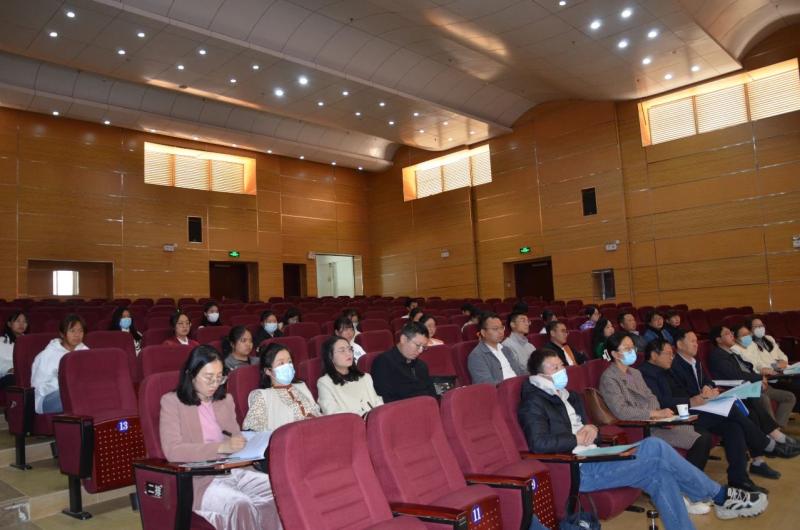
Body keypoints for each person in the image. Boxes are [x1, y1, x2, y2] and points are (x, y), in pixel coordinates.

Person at [519, 348, 768, 527]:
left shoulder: (569, 396)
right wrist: (576, 440)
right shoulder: (533, 402)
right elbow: (539, 443)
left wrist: (593, 429)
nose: (562, 371)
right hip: (578, 469)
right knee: (655, 447)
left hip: (596, 455)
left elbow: (589, 427)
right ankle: (720, 496)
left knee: (659, 474)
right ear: (539, 375)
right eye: (554, 368)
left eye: (562, 366)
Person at [159, 345, 281, 529]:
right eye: (209, 378)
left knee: (277, 492)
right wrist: (220, 447)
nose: (215, 384)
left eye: (219, 378)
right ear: (191, 374)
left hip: (234, 470)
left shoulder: (225, 400)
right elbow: (173, 451)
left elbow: (234, 435)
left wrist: (244, 443)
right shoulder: (172, 402)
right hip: (200, 479)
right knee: (240, 505)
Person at [654, 332, 783, 487]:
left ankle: (739, 479)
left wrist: (708, 387)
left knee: (734, 426)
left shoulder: (695, 362)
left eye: (696, 341)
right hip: (689, 412)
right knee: (733, 410)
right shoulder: (673, 366)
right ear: (680, 345)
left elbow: (708, 381)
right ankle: (764, 443)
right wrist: (699, 397)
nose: (696, 344)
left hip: (704, 407)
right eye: (692, 341)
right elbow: (680, 395)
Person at [598, 332, 715, 495]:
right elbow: (621, 411)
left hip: (656, 422)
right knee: (701, 439)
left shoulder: (635, 373)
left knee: (703, 435)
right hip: (640, 427)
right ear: (615, 354)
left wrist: (658, 414)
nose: (632, 352)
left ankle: (686, 486)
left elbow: (651, 396)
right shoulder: (609, 378)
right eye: (627, 349)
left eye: (633, 348)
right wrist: (653, 414)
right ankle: (687, 489)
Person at [707, 325, 799, 453]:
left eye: (731, 333)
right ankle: (775, 437)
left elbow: (748, 369)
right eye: (727, 334)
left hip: (746, 386)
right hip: (732, 389)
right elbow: (735, 375)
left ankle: (774, 437)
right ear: (718, 339)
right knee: (757, 399)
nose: (731, 335)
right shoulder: (718, 355)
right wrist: (758, 378)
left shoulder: (731, 352)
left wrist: (759, 379)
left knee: (783, 396)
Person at [243, 343, 320, 432]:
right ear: (268, 371)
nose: (287, 366)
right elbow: (253, 428)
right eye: (281, 363)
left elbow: (317, 412)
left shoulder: (302, 386)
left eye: (289, 362)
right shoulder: (262, 395)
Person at [730, 324, 796, 428]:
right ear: (736, 337)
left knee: (789, 397)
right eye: (744, 335)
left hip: (764, 379)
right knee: (765, 398)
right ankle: (773, 430)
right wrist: (760, 375)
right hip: (754, 384)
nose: (748, 337)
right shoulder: (734, 350)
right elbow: (747, 370)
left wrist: (764, 369)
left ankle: (778, 427)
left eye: (748, 334)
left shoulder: (752, 345)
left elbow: (759, 362)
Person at [31, 314, 88, 414]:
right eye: (72, 331)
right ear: (62, 334)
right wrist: (62, 383)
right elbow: (37, 388)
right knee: (76, 394)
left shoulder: (85, 351)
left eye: (80, 331)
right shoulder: (47, 355)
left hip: (76, 391)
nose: (77, 335)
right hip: (46, 398)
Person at [316, 336, 383, 416]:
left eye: (349, 349)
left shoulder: (366, 377)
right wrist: (365, 416)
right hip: (350, 423)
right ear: (330, 356)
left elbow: (378, 403)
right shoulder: (325, 383)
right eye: (342, 350)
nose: (348, 353)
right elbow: (332, 412)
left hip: (376, 421)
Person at [371, 321, 436, 403]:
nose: (420, 351)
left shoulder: (421, 366)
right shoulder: (383, 363)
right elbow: (386, 400)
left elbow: (432, 396)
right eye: (418, 345)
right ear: (403, 339)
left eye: (423, 347)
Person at [468, 312, 526, 384]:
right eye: (495, 329)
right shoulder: (477, 356)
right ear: (483, 332)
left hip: (518, 386)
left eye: (501, 328)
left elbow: (519, 372)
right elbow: (487, 384)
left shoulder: (506, 349)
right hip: (504, 389)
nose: (501, 332)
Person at [0, 311, 27, 389]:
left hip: (27, 373)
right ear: (9, 324)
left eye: (24, 321)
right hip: (8, 375)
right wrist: (8, 369)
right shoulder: (1, 341)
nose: (21, 324)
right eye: (18, 321)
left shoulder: (30, 342)